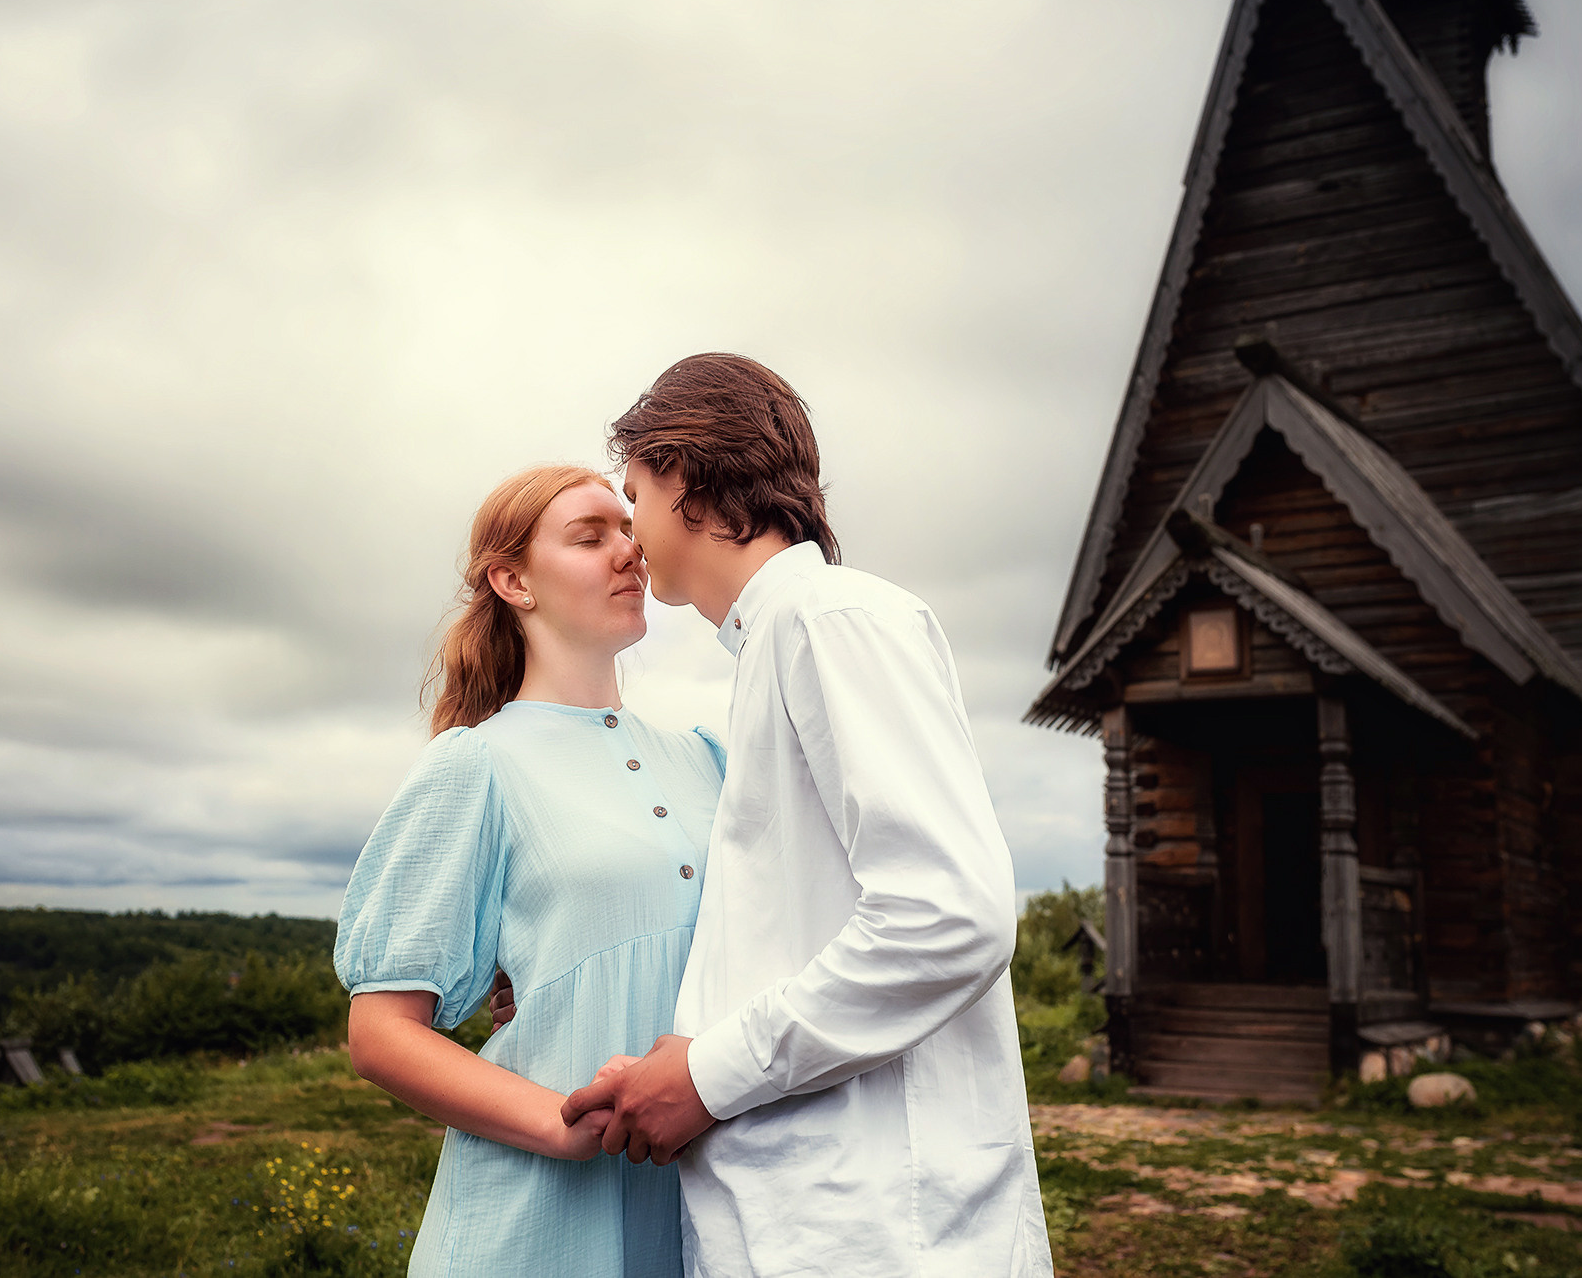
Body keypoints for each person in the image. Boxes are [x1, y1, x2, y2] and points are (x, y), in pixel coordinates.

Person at [558, 354, 1050, 1276]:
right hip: (815, 1225)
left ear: (688, 481)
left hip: (877, 1239)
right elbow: (787, 935)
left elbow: (950, 915)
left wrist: (705, 1075)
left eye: (636, 498)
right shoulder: (775, 648)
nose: (632, 535)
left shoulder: (831, 619)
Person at [333, 463, 724, 1277]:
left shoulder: (706, 758)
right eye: (590, 536)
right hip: (535, 1223)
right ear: (514, 581)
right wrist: (558, 1122)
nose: (631, 550)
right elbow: (380, 1033)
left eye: (628, 528)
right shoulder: (475, 764)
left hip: (701, 1210)